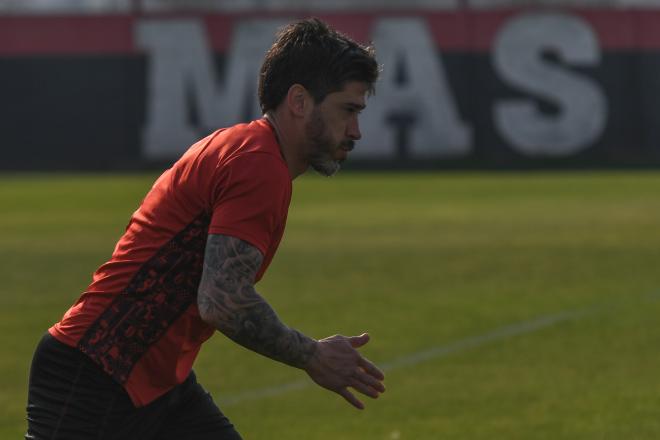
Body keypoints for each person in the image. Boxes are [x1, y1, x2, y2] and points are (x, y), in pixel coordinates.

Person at [25, 17, 384, 440]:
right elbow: (222, 300)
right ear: (299, 101)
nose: (356, 131)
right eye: (348, 110)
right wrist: (312, 355)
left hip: (156, 384)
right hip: (97, 374)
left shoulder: (251, 151)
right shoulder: (258, 165)